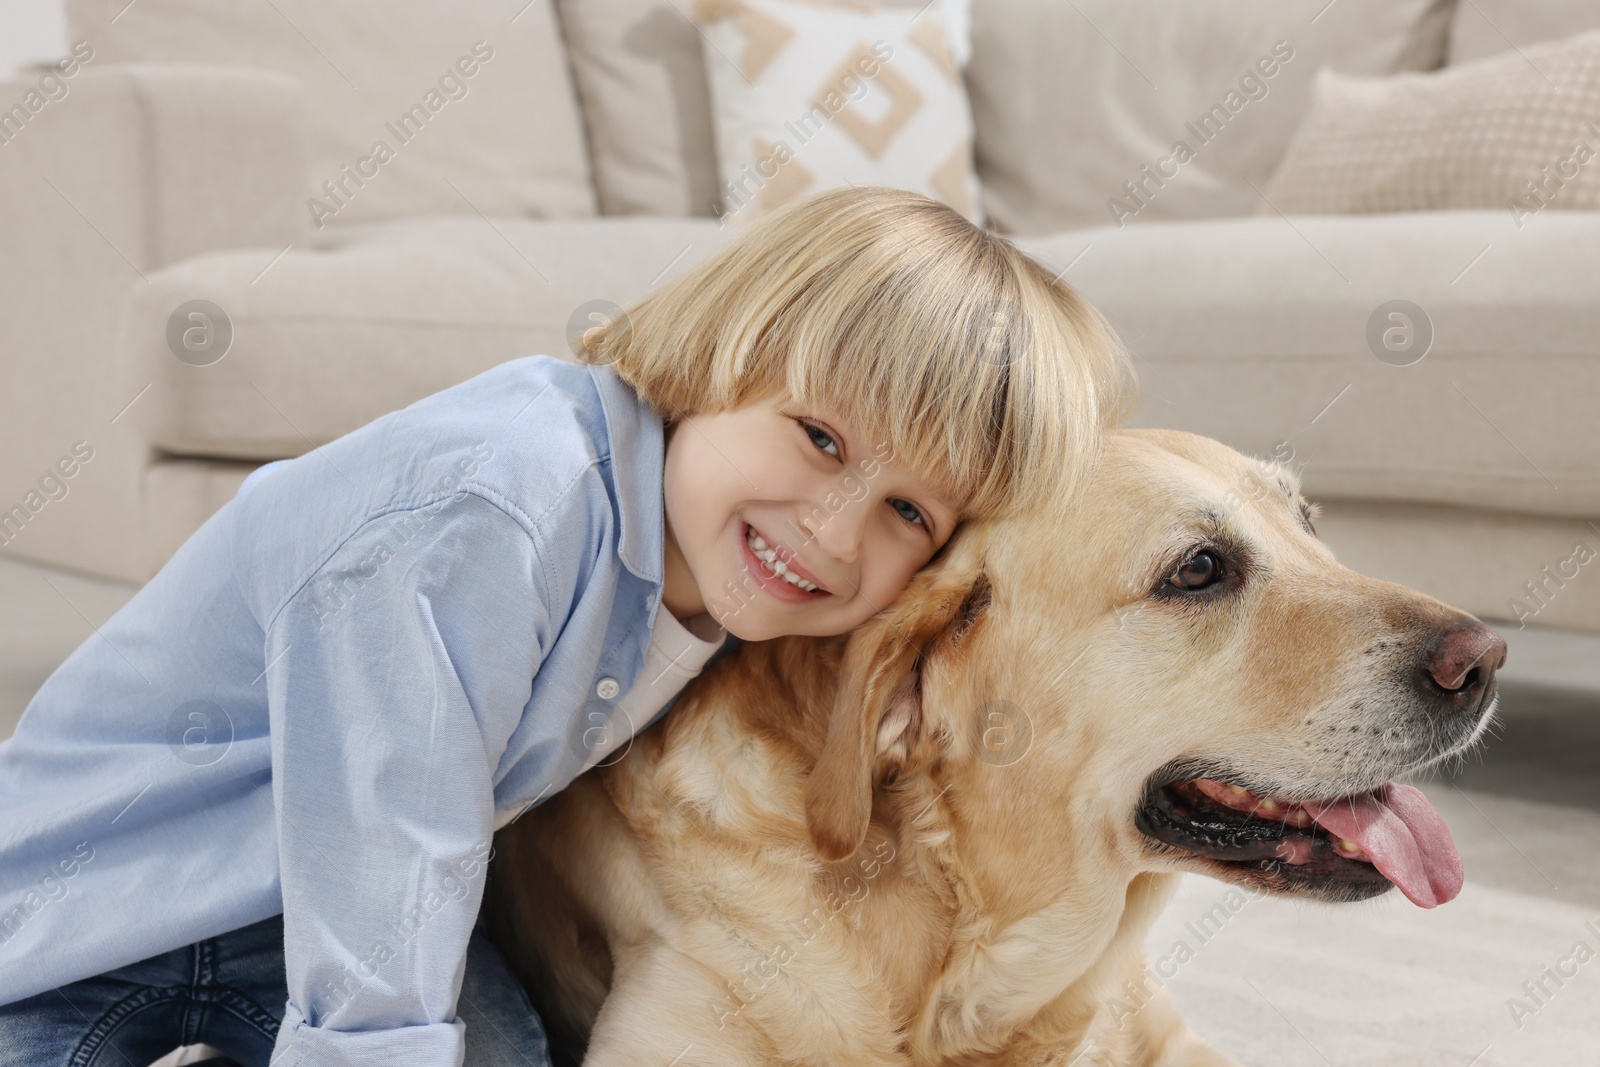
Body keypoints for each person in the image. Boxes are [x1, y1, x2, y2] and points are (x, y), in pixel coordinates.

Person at [0, 186, 1137, 1066]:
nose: (835, 533)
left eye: (905, 510)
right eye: (821, 438)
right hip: (96, 908)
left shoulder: (720, 556)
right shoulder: (498, 498)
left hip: (280, 917)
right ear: (726, 353)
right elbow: (386, 819)